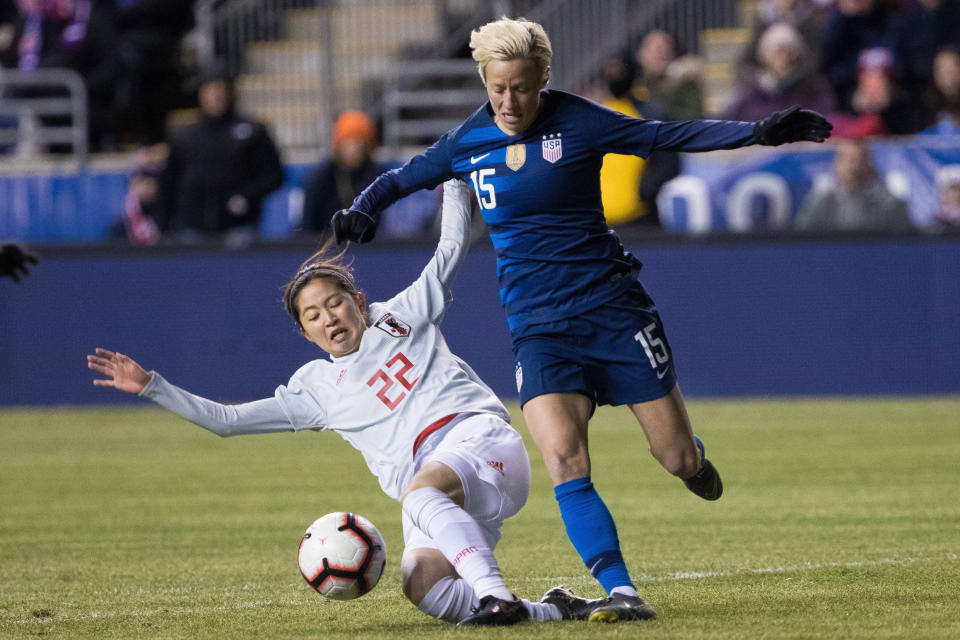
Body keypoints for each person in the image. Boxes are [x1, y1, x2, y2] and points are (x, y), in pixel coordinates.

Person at [329, 16, 832, 623]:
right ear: (485, 82)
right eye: (498, 89)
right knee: (564, 458)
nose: (510, 102)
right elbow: (400, 179)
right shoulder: (469, 140)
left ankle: (693, 459)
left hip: (612, 310)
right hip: (538, 328)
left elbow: (666, 134)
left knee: (672, 456)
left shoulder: (579, 120)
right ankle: (623, 591)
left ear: (543, 78)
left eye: (521, 87)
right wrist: (361, 211)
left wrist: (757, 132)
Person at [86, 179, 601, 627]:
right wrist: (152, 385)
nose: (328, 318)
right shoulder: (314, 389)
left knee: (419, 496)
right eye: (312, 315)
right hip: (442, 490)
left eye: (334, 303)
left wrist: (456, 186)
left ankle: (493, 595)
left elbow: (448, 250)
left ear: (357, 303)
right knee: (424, 587)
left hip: (479, 441)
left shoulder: (401, 316)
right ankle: (550, 610)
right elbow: (226, 421)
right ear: (306, 333)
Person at [157, 63, 284, 247]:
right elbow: (168, 183)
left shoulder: (253, 131)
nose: (216, 95)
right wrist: (163, 228)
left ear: (232, 92)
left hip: (240, 227)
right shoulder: (184, 135)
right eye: (210, 89)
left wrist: (246, 196)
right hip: (192, 229)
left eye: (221, 89)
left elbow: (274, 176)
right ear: (201, 93)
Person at [300, 110, 392, 234]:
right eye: (351, 141)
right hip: (326, 246)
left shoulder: (377, 177)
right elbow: (308, 224)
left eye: (362, 142)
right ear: (339, 144)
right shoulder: (320, 178)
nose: (356, 148)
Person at [724, 22, 835, 122]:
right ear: (765, 56)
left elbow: (824, 118)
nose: (783, 57)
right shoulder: (750, 91)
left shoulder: (814, 87)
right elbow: (734, 122)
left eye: (789, 50)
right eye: (777, 51)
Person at [795, 138, 913, 231]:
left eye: (860, 160)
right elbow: (802, 238)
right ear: (836, 163)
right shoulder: (822, 202)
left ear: (869, 164)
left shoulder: (891, 205)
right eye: (848, 160)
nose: (854, 167)